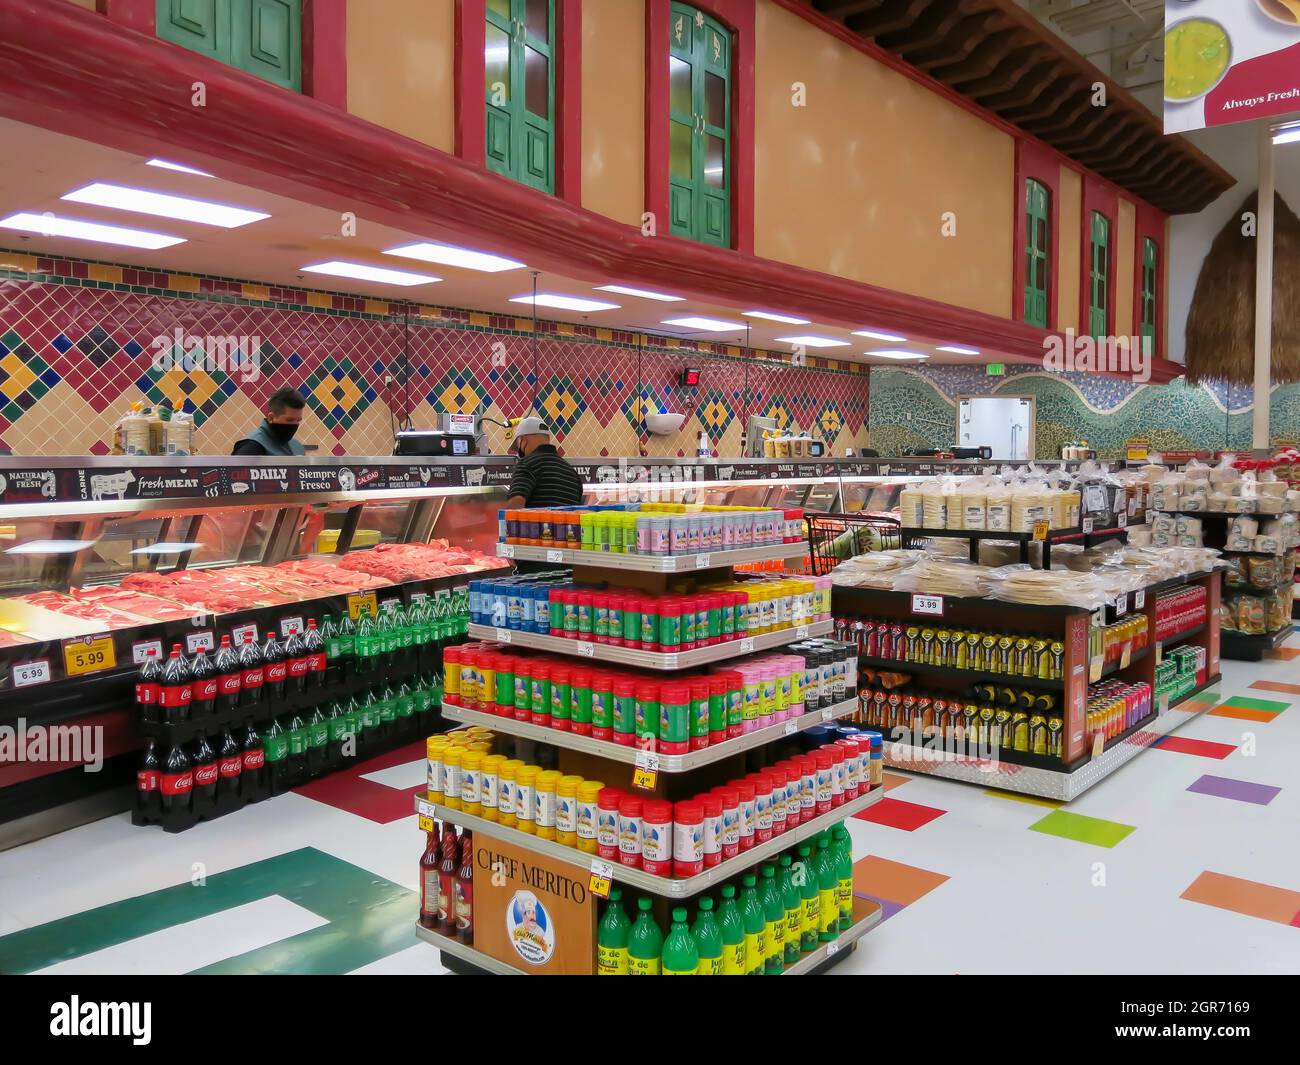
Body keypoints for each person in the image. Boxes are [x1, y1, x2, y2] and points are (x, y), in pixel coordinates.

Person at [503, 417, 583, 510]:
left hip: (535, 525)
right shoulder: (572, 473)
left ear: (523, 440)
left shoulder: (527, 464)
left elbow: (516, 501)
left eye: (518, 445)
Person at [233, 388, 307, 456]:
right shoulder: (252, 446)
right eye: (290, 420)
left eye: (298, 420)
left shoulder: (298, 447)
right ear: (271, 417)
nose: (294, 425)